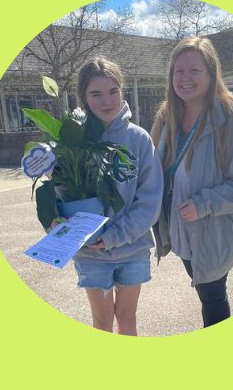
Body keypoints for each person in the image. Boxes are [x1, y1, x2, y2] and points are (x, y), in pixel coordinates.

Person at [150, 37, 233, 328]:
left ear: (212, 74)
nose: (184, 78)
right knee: (206, 292)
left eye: (194, 70)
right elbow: (154, 167)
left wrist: (203, 204)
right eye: (178, 71)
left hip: (214, 229)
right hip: (181, 229)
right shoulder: (167, 115)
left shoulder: (228, 115)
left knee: (212, 295)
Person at [61, 57, 162, 336]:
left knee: (127, 319)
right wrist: (56, 223)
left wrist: (115, 236)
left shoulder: (139, 139)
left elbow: (150, 202)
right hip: (91, 253)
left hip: (132, 248)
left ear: (122, 91)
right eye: (96, 94)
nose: (107, 101)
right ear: (83, 97)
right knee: (102, 322)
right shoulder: (72, 141)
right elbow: (60, 196)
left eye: (113, 91)